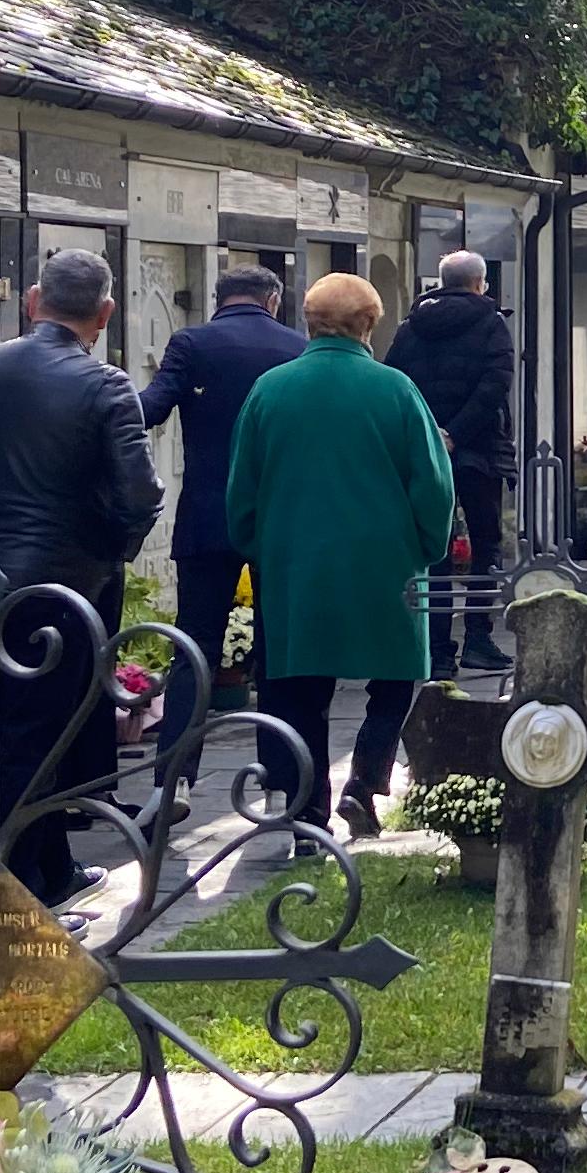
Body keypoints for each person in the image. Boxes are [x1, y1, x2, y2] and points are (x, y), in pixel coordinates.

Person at [0, 248, 161, 903]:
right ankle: (23, 883)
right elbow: (139, 494)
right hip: (61, 586)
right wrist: (105, 552)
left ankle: (49, 867)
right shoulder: (104, 385)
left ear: (32, 302)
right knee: (46, 735)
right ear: (105, 313)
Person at [225, 272, 452, 837]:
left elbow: (241, 488)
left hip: (295, 562)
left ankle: (307, 810)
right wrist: (427, 546)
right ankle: (365, 780)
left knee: (300, 688)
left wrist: (259, 547)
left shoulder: (270, 389)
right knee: (396, 675)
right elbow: (433, 484)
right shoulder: (395, 389)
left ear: (308, 322)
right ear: (369, 324)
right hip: (386, 560)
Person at [138, 265, 308, 695]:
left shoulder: (191, 343)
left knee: (195, 644)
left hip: (208, 514)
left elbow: (151, 408)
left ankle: (181, 740)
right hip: (278, 519)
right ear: (273, 300)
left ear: (219, 299)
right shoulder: (299, 348)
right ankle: (279, 738)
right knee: (278, 646)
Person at [387, 249, 519, 674]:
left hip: (425, 454)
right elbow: (495, 386)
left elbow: (396, 384)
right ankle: (479, 638)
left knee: (435, 548)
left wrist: (431, 435)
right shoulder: (491, 323)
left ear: (441, 282)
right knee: (486, 544)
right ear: (480, 283)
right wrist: (457, 434)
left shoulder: (411, 327)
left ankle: (437, 650)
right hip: (480, 451)